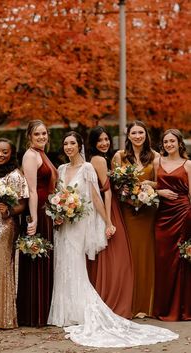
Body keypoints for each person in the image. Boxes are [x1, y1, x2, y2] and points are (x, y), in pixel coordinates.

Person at [47, 131, 178, 348]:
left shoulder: (88, 167)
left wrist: (107, 221)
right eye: (66, 144)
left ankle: (81, 309)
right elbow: (58, 195)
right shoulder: (61, 169)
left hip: (80, 223)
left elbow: (97, 196)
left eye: (73, 143)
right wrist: (58, 212)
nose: (68, 147)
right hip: (64, 224)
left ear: (80, 146)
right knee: (63, 264)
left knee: (76, 265)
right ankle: (63, 312)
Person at [113, 120, 159, 318]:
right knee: (129, 254)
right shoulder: (120, 156)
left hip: (147, 212)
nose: (138, 136)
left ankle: (146, 303)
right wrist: (121, 189)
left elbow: (161, 182)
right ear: (128, 135)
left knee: (146, 253)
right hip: (127, 211)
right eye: (134, 132)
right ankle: (129, 303)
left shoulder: (155, 157)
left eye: (141, 132)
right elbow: (113, 183)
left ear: (146, 135)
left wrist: (149, 185)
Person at [87, 126, 133, 318]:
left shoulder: (105, 158)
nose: (104, 143)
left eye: (106, 139)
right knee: (115, 255)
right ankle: (111, 299)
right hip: (107, 208)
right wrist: (108, 221)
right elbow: (105, 191)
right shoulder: (98, 159)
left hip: (110, 206)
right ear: (93, 143)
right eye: (100, 140)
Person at [0, 138, 29, 329]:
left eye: (4, 152)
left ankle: (3, 317)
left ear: (11, 154)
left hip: (5, 225)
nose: (0, 155)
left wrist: (8, 210)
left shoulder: (15, 175)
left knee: (1, 267)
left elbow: (22, 203)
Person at [16, 120, 58, 327]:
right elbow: (31, 190)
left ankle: (45, 308)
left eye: (44, 133)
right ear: (29, 137)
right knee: (37, 259)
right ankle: (33, 312)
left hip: (47, 210)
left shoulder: (42, 154)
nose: (41, 137)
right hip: (38, 211)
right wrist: (34, 219)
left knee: (45, 260)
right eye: (37, 134)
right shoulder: (30, 156)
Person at [153, 129, 191, 321]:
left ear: (179, 143)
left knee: (181, 259)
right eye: (165, 141)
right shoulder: (157, 161)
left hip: (183, 214)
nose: (168, 144)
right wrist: (160, 192)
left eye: (172, 141)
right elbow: (152, 185)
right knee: (163, 259)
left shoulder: (188, 165)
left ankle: (182, 309)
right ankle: (163, 307)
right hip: (162, 216)